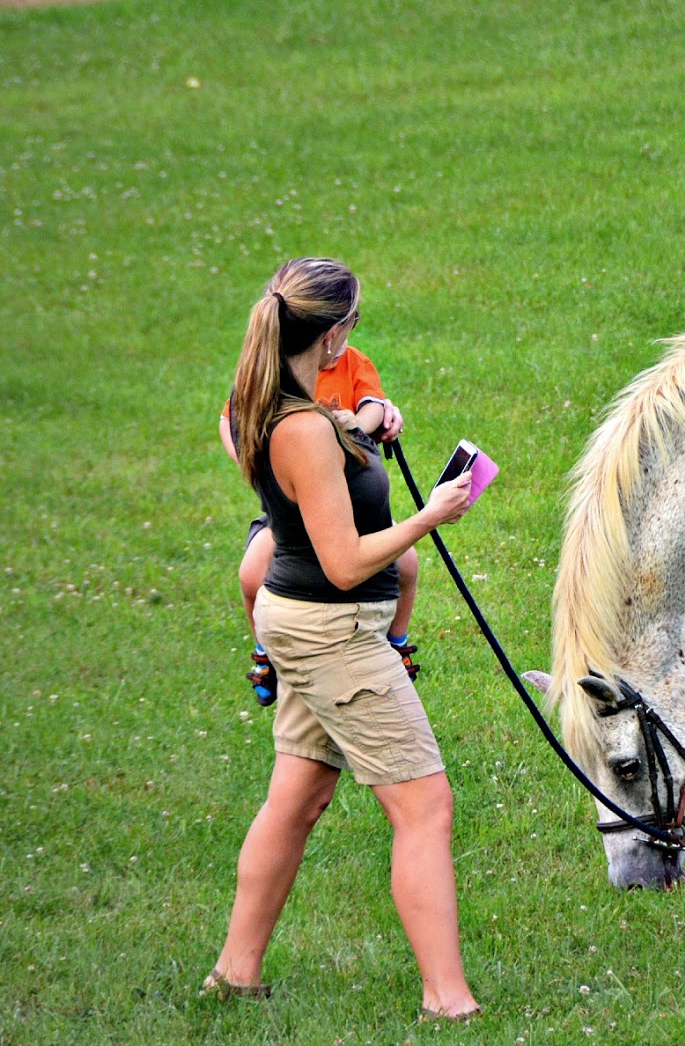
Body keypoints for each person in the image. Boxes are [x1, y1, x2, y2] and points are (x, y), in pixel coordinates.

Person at [203, 257, 480, 1022]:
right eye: (352, 325)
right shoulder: (300, 430)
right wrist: (432, 515)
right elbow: (346, 561)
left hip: (306, 624)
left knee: (297, 796)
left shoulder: (285, 410)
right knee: (425, 806)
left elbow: (331, 457)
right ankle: (449, 1002)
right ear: (332, 335)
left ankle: (234, 975)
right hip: (336, 634)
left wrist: (363, 426)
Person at [221, 338, 420, 707]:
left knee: (407, 562)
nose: (341, 341)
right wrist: (253, 463)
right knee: (251, 575)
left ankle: (397, 642)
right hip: (294, 512)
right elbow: (229, 419)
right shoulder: (279, 373)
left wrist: (358, 425)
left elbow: (374, 405)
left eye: (351, 325)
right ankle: (265, 653)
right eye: (340, 326)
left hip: (355, 507)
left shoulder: (353, 362)